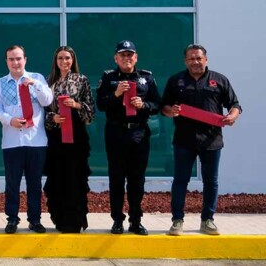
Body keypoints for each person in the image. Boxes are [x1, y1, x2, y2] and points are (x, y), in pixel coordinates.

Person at [161, 44, 241, 236]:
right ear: (185, 61)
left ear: (206, 59)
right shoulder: (176, 81)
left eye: (199, 58)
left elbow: (235, 104)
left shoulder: (219, 80)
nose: (195, 62)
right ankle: (177, 221)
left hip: (212, 140)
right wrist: (170, 111)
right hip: (183, 140)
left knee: (211, 181)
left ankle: (208, 220)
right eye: (191, 59)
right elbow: (163, 106)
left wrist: (232, 116)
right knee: (180, 180)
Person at [96, 40, 161, 236]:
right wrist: (116, 94)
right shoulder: (108, 78)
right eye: (123, 55)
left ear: (136, 57)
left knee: (137, 179)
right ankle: (117, 220)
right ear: (116, 58)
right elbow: (100, 104)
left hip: (139, 133)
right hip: (116, 132)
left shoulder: (146, 78)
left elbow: (158, 104)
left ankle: (135, 220)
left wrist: (144, 105)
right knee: (116, 178)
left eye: (130, 54)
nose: (127, 58)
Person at [0, 45, 53, 234]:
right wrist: (10, 121)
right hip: (12, 141)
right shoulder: (0, 83)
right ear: (6, 62)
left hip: (36, 141)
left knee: (35, 183)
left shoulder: (38, 78)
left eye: (18, 58)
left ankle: (34, 220)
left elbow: (47, 100)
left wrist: (34, 83)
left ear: (25, 59)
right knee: (12, 183)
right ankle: (12, 219)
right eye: (11, 59)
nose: (15, 62)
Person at [43, 46, 95, 233]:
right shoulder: (49, 82)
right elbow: (43, 112)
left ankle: (75, 221)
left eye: (67, 58)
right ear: (55, 61)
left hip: (76, 137)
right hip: (56, 137)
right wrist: (52, 118)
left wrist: (76, 105)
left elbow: (91, 112)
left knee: (74, 178)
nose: (64, 62)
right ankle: (59, 219)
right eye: (60, 58)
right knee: (57, 178)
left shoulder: (82, 80)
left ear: (73, 60)